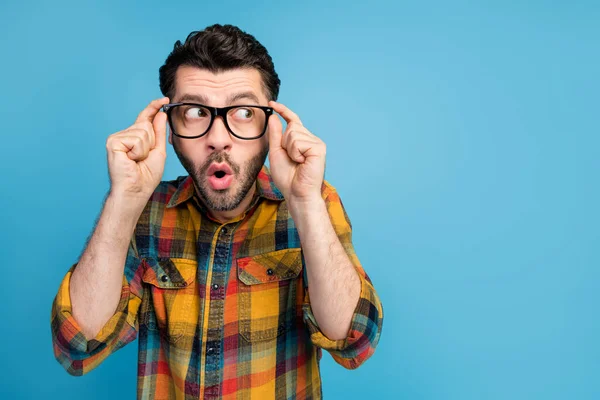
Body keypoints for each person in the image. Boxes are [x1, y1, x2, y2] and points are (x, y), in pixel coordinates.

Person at [50, 23, 384, 399]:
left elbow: (354, 342)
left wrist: (305, 202)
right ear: (169, 128)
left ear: (270, 127)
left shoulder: (312, 203)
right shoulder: (143, 212)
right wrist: (123, 198)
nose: (218, 138)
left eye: (243, 112)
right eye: (195, 111)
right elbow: (75, 347)